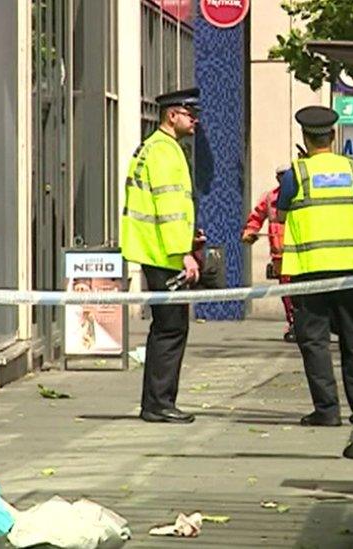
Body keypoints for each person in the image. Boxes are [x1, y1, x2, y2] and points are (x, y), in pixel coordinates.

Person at [277, 106, 353, 427]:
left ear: (305, 137)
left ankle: (327, 411)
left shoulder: (296, 174)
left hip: (311, 271)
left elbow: (280, 214)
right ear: (333, 136)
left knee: (315, 341)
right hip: (351, 268)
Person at [120, 88, 203, 424]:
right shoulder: (167, 152)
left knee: (166, 327)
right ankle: (159, 403)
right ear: (172, 115)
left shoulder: (151, 147)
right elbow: (169, 208)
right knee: (171, 329)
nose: (195, 120)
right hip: (164, 253)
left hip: (155, 248)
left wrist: (188, 236)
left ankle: (156, 402)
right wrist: (183, 252)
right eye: (189, 113)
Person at [242, 165, 296, 342]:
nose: (282, 178)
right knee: (287, 293)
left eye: (285, 175)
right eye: (279, 175)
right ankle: (293, 323)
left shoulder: (299, 195)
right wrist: (250, 232)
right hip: (280, 255)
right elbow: (257, 217)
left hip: (298, 253)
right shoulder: (270, 197)